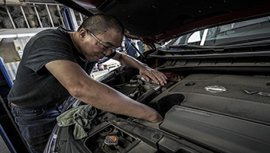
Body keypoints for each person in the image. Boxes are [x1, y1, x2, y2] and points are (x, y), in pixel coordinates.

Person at [7, 14, 167, 153]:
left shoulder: (94, 47)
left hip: (64, 102)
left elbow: (121, 57)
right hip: (34, 112)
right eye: (106, 46)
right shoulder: (48, 41)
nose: (107, 53)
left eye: (112, 48)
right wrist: (149, 114)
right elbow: (80, 87)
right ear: (83, 33)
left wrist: (143, 67)